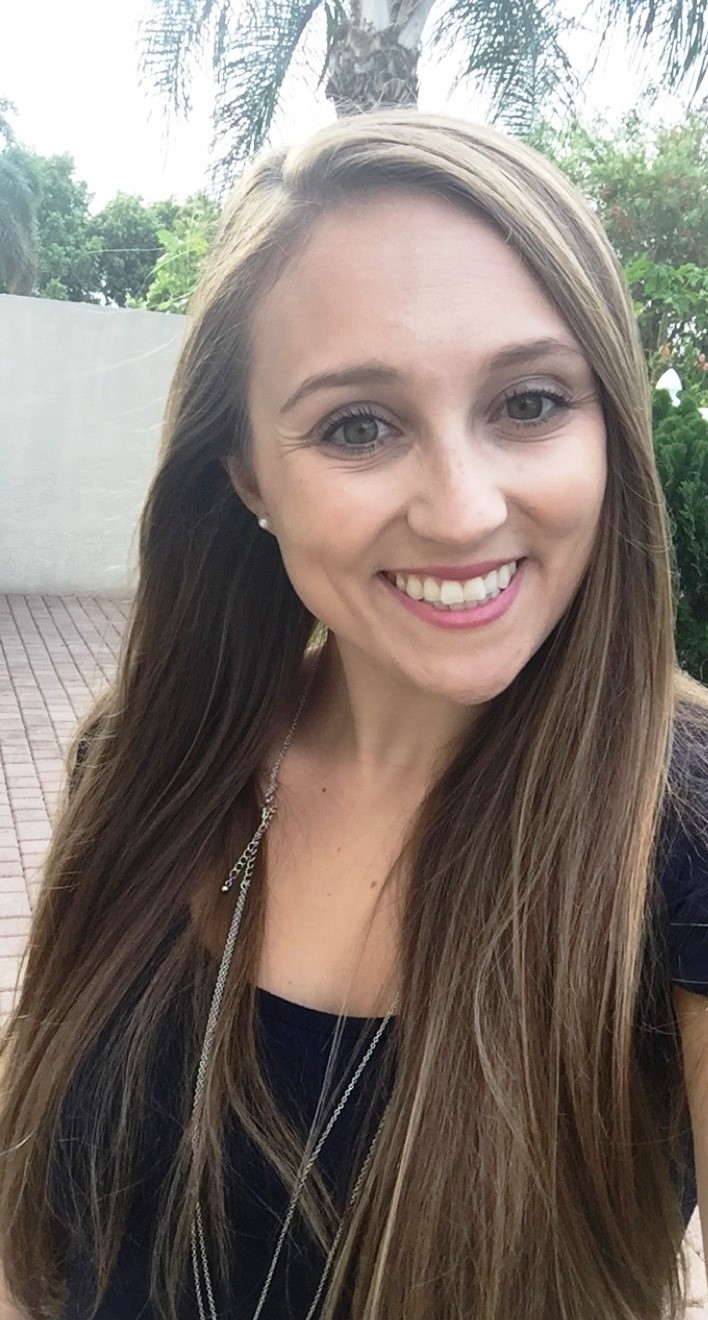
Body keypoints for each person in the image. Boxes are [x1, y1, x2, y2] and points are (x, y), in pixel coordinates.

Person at [0, 107, 707, 1320]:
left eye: (530, 402)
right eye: (359, 426)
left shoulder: (682, 830)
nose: (462, 509)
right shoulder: (148, 756)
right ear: (246, 475)